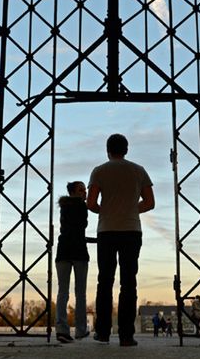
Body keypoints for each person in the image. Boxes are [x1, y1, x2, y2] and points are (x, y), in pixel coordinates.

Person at [87, 134, 155, 347]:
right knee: (129, 282)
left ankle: (104, 333)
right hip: (131, 230)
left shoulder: (99, 171)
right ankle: (126, 335)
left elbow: (90, 203)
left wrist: (105, 211)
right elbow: (150, 202)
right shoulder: (139, 170)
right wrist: (131, 210)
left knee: (105, 281)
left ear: (108, 150)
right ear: (127, 149)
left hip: (106, 230)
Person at [55, 181, 90, 343]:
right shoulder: (82, 207)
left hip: (63, 251)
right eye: (81, 190)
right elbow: (81, 226)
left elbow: (70, 230)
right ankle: (81, 330)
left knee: (62, 293)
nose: (85, 192)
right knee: (80, 293)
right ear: (73, 192)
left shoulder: (64, 207)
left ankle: (62, 329)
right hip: (79, 252)